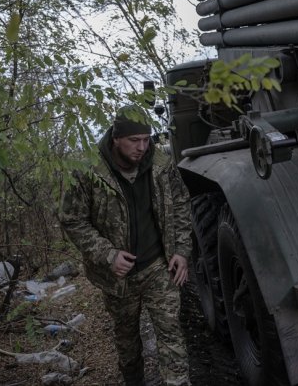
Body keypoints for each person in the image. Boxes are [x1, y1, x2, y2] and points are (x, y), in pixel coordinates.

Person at [61, 105, 193, 386]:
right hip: (117, 278)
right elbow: (73, 222)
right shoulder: (88, 170)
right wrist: (108, 255)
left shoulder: (160, 163)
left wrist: (181, 251)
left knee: (172, 338)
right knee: (128, 343)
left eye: (147, 139)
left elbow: (181, 204)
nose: (142, 147)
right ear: (116, 138)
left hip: (159, 267)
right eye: (135, 140)